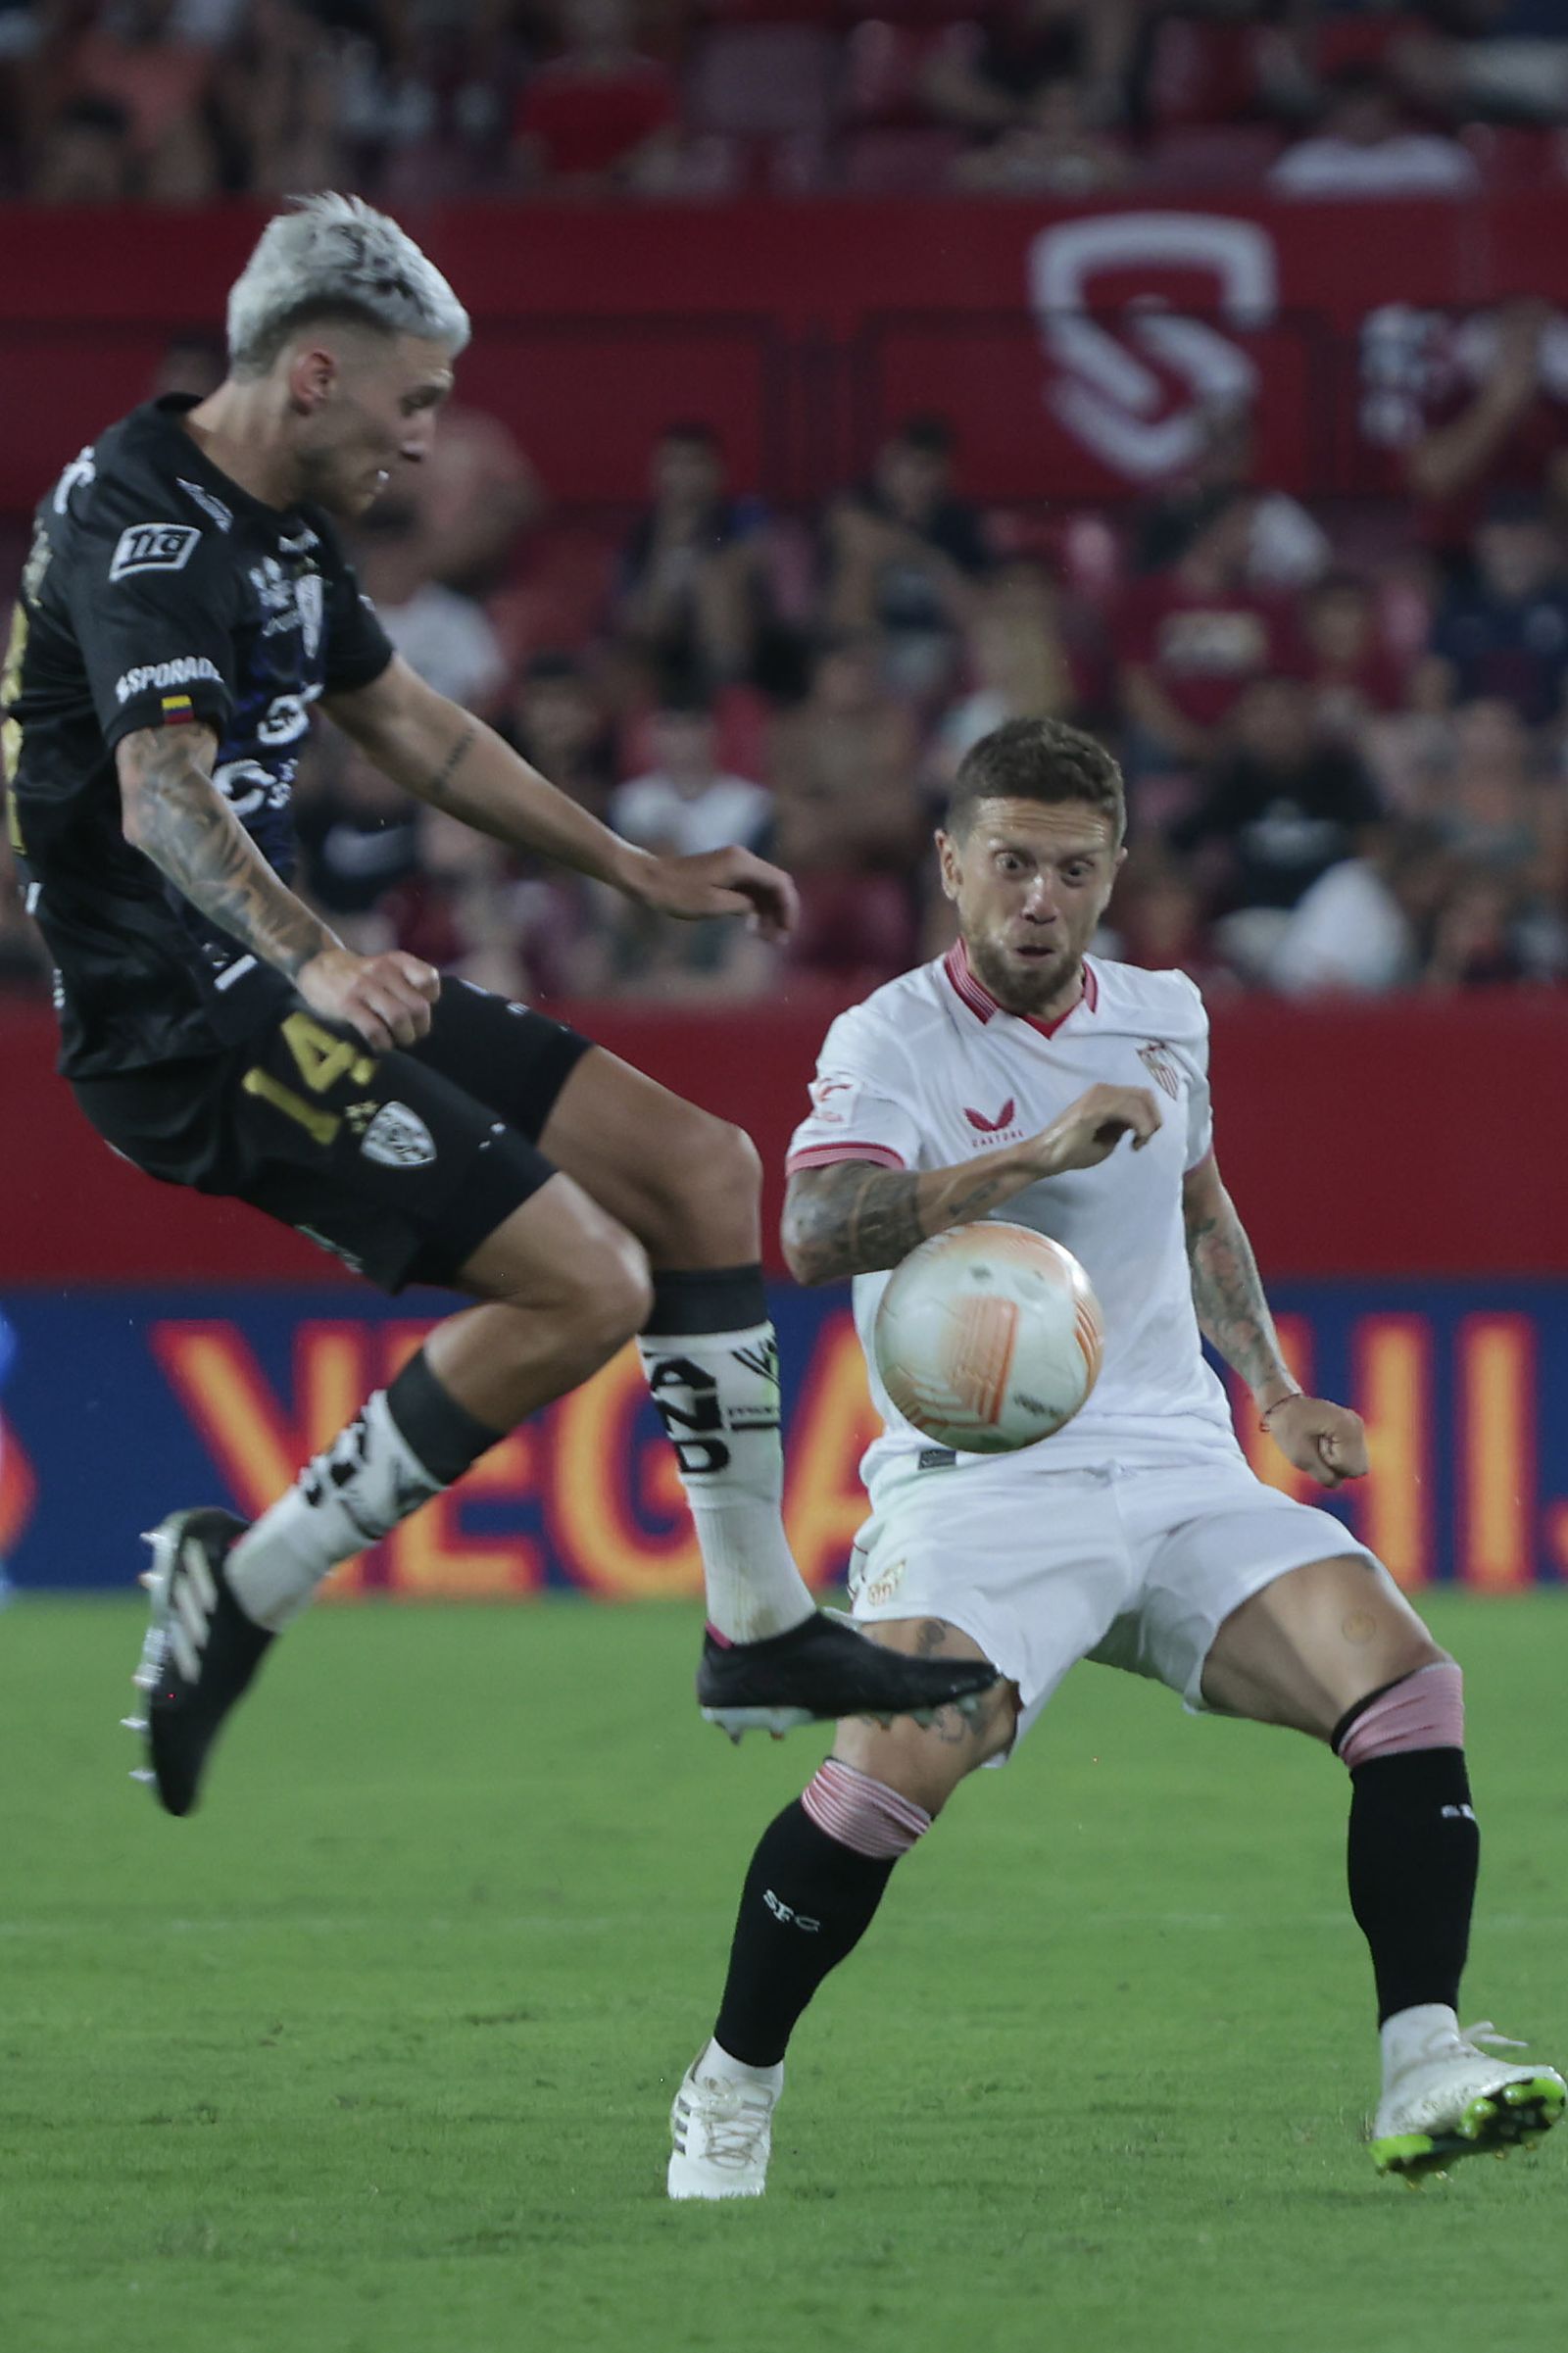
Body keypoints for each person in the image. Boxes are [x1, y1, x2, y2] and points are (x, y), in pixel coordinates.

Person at [0, 194, 997, 1819]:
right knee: (587, 1285)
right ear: (314, 374)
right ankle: (244, 1583)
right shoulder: (150, 526)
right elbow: (161, 793)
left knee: (697, 1167)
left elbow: (416, 726)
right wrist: (323, 959)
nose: (429, 440)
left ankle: (758, 1624)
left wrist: (634, 866)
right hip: (184, 1020)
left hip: (273, 981)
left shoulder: (277, 512)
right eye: (416, 400)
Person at [664, 715, 1564, 2198]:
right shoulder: (889, 1038)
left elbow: (1200, 1208)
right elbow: (814, 1235)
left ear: (1116, 872)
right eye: (1012, 863)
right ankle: (730, 2083)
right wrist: (1029, 1156)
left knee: (1406, 1685)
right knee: (888, 1776)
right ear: (951, 864)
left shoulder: (1164, 1013)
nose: (1041, 898)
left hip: (1174, 1460)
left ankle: (1424, 2059)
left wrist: (1271, 1389)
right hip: (981, 1484)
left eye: (1074, 870)